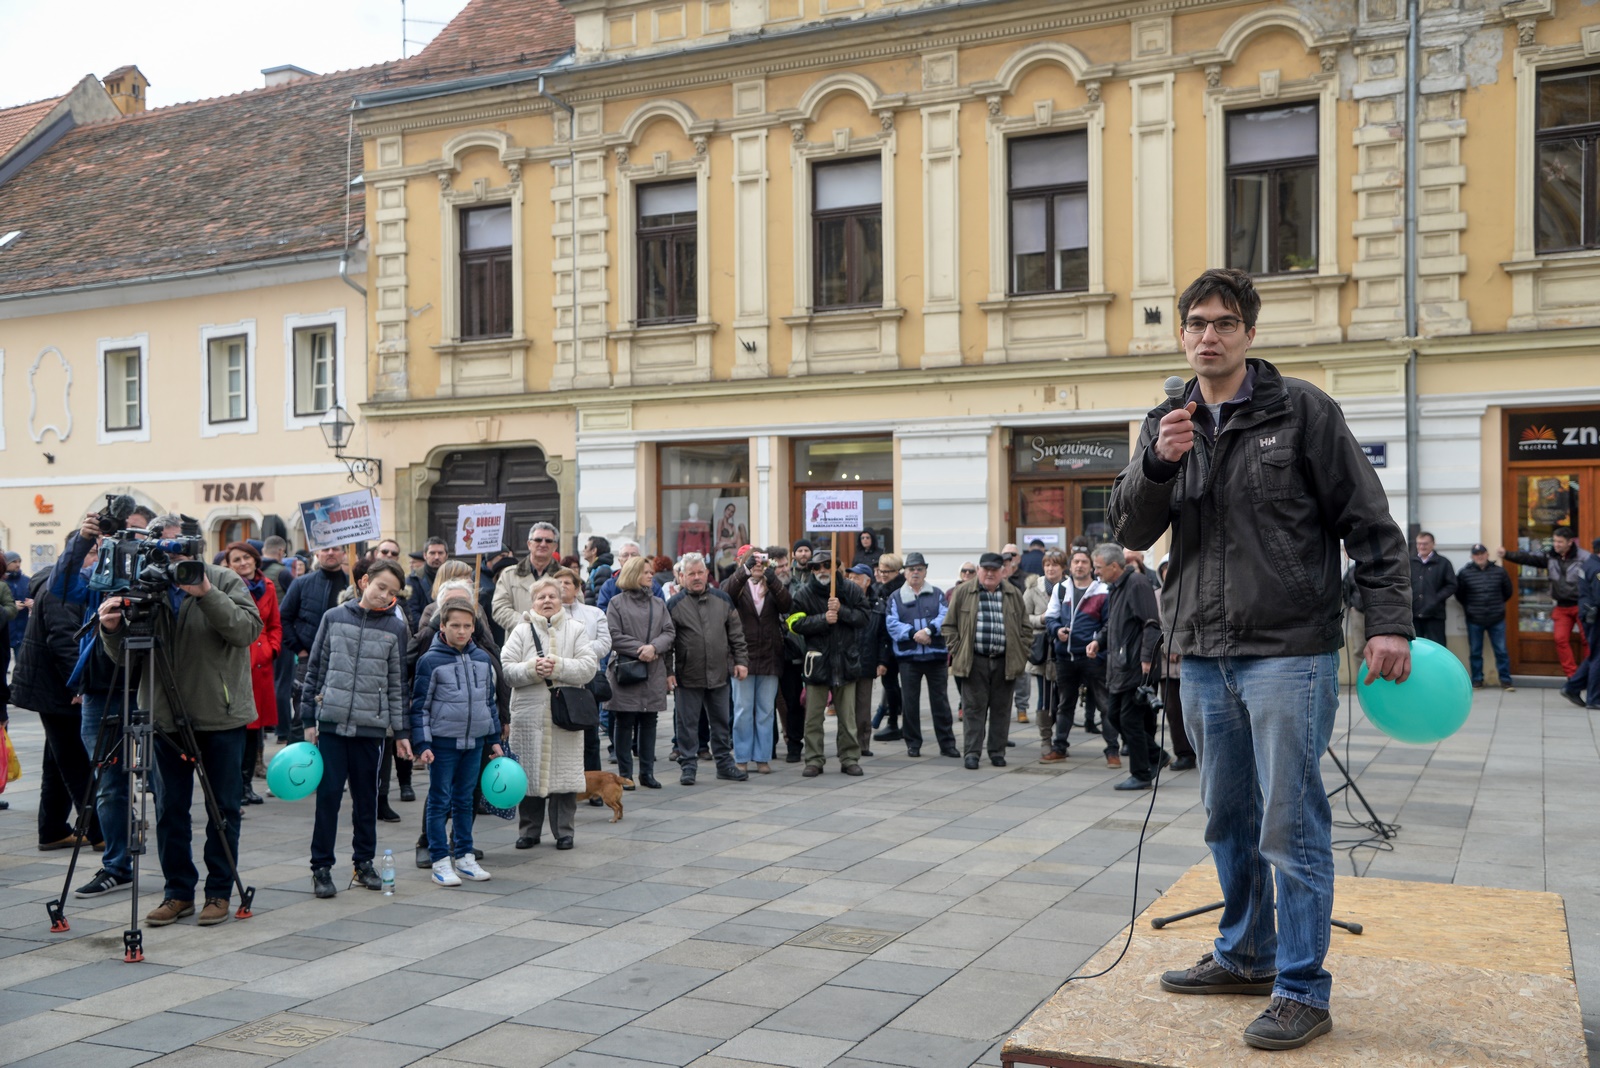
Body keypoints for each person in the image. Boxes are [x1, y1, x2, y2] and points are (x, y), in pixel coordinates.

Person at [1109, 267, 1412, 1051]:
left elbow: (1369, 523)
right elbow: (1131, 533)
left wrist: (1389, 623)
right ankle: (1246, 953)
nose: (1209, 335)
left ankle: (1302, 987)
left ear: (1249, 332)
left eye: (1224, 322)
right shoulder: (1165, 419)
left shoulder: (1302, 410)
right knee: (1227, 817)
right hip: (1201, 654)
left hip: (1288, 649)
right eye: (1196, 323)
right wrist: (1157, 465)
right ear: (1182, 334)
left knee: (1291, 820)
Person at [99, 521, 263, 928]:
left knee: (223, 808)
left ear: (194, 546)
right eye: (161, 546)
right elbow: (127, 657)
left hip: (219, 714)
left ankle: (219, 892)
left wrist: (206, 593)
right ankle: (177, 893)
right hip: (163, 716)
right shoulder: (145, 585)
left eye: (177, 546)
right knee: (171, 808)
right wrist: (111, 629)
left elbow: (246, 631)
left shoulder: (224, 578)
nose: (169, 555)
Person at [299, 558, 412, 899]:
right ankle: (321, 867)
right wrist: (308, 720)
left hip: (371, 728)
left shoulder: (395, 628)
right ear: (364, 582)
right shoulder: (333, 618)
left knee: (367, 799)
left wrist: (401, 731)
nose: (385, 596)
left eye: (393, 593)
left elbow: (397, 684)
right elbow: (315, 668)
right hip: (332, 724)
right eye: (381, 587)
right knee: (328, 798)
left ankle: (363, 863)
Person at [413, 602, 503, 885]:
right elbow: (420, 707)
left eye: (467, 625)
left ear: (474, 627)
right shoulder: (430, 661)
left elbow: (488, 702)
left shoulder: (482, 658)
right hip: (442, 742)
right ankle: (440, 860)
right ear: (442, 626)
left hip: (474, 742)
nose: (461, 631)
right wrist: (423, 743)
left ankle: (464, 855)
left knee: (466, 800)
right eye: (455, 625)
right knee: (440, 801)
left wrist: (493, 739)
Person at [1088, 543, 1166, 791]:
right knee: (1114, 716)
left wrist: (1146, 659)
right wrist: (1098, 641)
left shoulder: (1138, 584)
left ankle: (1141, 773)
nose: (1095, 572)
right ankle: (1155, 756)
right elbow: (1115, 623)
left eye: (1098, 568)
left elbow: (1152, 624)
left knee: (1129, 720)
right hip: (1121, 667)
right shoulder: (1116, 587)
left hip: (1137, 667)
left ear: (1114, 566)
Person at [666, 553, 749, 785]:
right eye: (691, 573)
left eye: (700, 572)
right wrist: (668, 673)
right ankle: (688, 767)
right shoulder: (674, 605)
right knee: (687, 724)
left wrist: (741, 661)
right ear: (681, 576)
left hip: (719, 674)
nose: (696, 577)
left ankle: (724, 765)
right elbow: (667, 644)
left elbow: (736, 635)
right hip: (687, 675)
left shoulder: (723, 600)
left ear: (707, 574)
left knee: (722, 722)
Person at [945, 552, 1027, 769]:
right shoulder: (963, 592)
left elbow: (1025, 628)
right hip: (975, 660)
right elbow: (949, 626)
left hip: (1004, 661)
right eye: (986, 569)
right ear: (979, 570)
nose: (990, 574)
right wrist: (958, 649)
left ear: (1003, 572)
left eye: (994, 570)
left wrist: (1021, 651)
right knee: (973, 709)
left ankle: (997, 752)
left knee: (1001, 709)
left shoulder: (1013, 594)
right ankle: (972, 753)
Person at [791, 551, 868, 777]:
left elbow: (864, 618)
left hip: (846, 661)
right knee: (814, 717)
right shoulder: (804, 593)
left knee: (847, 718)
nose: (822, 570)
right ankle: (814, 759)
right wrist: (822, 619)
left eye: (827, 565)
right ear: (811, 570)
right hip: (817, 662)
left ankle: (850, 758)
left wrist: (841, 610)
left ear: (835, 567)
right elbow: (794, 623)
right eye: (816, 567)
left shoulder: (851, 590)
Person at [605, 556, 674, 790]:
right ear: (634, 574)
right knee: (624, 722)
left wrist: (654, 647)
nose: (650, 575)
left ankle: (647, 773)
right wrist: (640, 649)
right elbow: (613, 635)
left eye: (651, 572)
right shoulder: (616, 603)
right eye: (646, 572)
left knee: (649, 721)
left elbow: (669, 631)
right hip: (627, 670)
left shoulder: (658, 604)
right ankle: (626, 775)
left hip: (653, 669)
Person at [224, 542, 281, 807]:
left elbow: (275, 624)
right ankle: (233, 785)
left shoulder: (267, 587)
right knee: (238, 728)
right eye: (237, 559)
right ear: (229, 564)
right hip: (236, 664)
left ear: (255, 559)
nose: (243, 563)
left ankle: (246, 785)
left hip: (261, 667)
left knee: (255, 730)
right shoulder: (224, 586)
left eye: (246, 557)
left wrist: (271, 649)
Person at [723, 548, 791, 774]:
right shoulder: (737, 583)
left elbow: (786, 604)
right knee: (742, 709)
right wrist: (745, 570)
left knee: (765, 710)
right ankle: (741, 757)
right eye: (755, 562)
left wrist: (770, 576)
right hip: (743, 655)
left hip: (769, 655)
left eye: (762, 562)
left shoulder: (772, 585)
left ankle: (762, 757)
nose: (758, 566)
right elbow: (726, 595)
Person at [1042, 548, 1112, 764]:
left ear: (1091, 566)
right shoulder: (1060, 589)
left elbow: (1109, 623)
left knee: (1105, 705)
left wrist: (1097, 641)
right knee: (1065, 704)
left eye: (1083, 562)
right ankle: (1059, 747)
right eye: (1076, 562)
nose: (1079, 565)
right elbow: (1051, 617)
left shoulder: (1103, 590)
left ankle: (1113, 750)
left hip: (1093, 657)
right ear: (1069, 566)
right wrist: (1057, 631)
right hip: (1065, 657)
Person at [1500, 527, 1592, 687]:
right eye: (1555, 541)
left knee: (1587, 641)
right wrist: (1507, 554)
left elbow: (1594, 577)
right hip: (1561, 607)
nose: (1556, 544)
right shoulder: (1550, 556)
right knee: (1560, 639)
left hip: (1580, 605)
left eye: (1559, 542)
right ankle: (1572, 676)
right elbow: (1528, 558)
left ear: (1570, 542)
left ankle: (1589, 675)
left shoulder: (1584, 557)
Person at [885, 552, 956, 759]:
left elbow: (945, 616)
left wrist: (928, 631)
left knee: (941, 702)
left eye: (919, 569)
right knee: (910, 703)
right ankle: (913, 744)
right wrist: (912, 634)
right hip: (908, 657)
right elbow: (891, 623)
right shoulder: (895, 597)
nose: (915, 573)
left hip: (935, 656)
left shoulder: (937, 593)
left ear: (925, 571)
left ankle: (947, 744)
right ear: (904, 572)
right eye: (911, 569)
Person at [279, 547, 351, 744]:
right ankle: (296, 766)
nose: (330, 553)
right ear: (317, 554)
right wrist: (300, 650)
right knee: (302, 714)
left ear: (344, 553)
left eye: (335, 549)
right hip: (308, 659)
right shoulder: (301, 584)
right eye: (325, 549)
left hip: (344, 662)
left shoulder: (352, 585)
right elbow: (283, 618)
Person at [1455, 543, 1514, 691]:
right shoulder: (1464, 573)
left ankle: (1506, 681)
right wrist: (1470, 608)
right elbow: (1459, 594)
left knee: (1501, 651)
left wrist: (1498, 607)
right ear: (1472, 557)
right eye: (1476, 554)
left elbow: (1508, 592)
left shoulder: (1500, 572)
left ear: (1487, 555)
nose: (1479, 556)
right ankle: (1477, 680)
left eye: (1482, 553)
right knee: (1475, 652)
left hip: (1496, 618)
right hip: (1474, 619)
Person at [845, 563, 889, 758]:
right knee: (846, 706)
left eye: (857, 577)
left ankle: (863, 743)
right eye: (851, 577)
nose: (852, 581)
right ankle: (846, 743)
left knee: (863, 706)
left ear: (868, 581)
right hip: (845, 661)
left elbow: (882, 637)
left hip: (867, 660)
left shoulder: (877, 606)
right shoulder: (843, 601)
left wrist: (882, 661)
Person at [492, 522, 563, 633]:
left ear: (555, 547)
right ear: (529, 544)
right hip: (519, 642)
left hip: (556, 640)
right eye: (538, 540)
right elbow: (499, 608)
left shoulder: (565, 576)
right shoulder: (509, 575)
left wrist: (549, 625)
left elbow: (576, 608)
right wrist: (526, 625)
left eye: (548, 541)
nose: (543, 544)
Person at [1023, 551, 1062, 747]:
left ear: (1062, 568)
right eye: (1047, 565)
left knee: (1062, 697)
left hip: (1063, 649)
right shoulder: (1033, 588)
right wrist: (1041, 619)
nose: (1050, 569)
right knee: (1045, 696)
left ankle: (1061, 738)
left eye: (1054, 565)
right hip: (1041, 652)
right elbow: (1023, 617)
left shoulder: (1069, 587)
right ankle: (1046, 738)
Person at [1410, 532, 1456, 646]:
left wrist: (1435, 599)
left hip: (1435, 614)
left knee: (1437, 647)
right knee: (1416, 649)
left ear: (1433, 544)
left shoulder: (1443, 563)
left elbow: (1452, 585)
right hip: (1414, 615)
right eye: (1419, 544)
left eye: (1425, 544)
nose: (1422, 547)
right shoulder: (1410, 562)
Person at [406, 537, 449, 632]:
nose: (437, 557)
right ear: (425, 555)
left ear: (446, 555)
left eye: (440, 553)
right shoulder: (413, 579)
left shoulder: (453, 578)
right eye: (432, 553)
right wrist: (429, 631)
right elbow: (412, 611)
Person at [582, 536, 614, 604]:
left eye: (585, 547)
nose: (583, 550)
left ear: (594, 551)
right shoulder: (596, 570)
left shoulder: (602, 571)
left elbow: (601, 600)